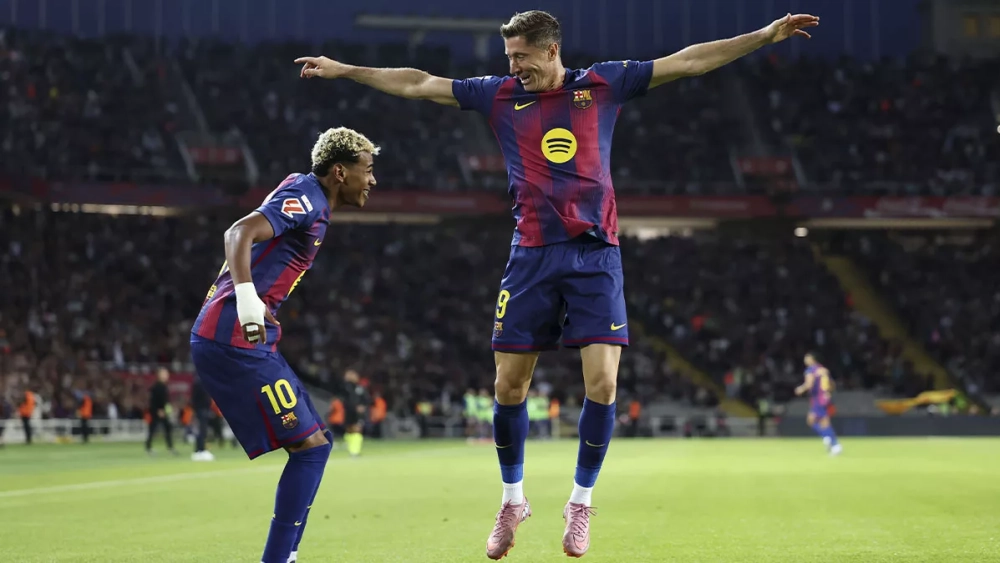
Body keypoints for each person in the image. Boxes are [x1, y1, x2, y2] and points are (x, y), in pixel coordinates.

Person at [295, 9, 819, 559]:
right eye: (509, 57)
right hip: (531, 255)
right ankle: (512, 500)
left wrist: (763, 35)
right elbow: (419, 83)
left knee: (603, 384)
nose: (513, 66)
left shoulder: (604, 83)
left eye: (521, 56)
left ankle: (580, 502)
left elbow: (688, 62)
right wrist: (344, 69)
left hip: (595, 255)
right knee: (508, 388)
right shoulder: (497, 94)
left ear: (550, 51)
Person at [189, 127, 379, 563]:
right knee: (310, 449)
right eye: (367, 171)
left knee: (316, 446)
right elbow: (238, 232)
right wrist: (247, 294)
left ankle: (284, 557)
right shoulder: (308, 197)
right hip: (231, 339)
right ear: (339, 172)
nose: (372, 181)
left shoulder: (309, 197)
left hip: (245, 340)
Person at [795, 353, 842, 456]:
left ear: (812, 359)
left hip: (817, 399)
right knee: (821, 421)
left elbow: (809, 383)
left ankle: (834, 444)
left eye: (807, 358)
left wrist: (800, 389)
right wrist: (827, 393)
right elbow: (832, 384)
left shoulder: (810, 370)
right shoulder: (824, 370)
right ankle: (828, 439)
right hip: (825, 398)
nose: (805, 360)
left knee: (814, 421)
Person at [145, 368, 177, 455]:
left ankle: (170, 447)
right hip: (157, 411)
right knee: (153, 429)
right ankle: (148, 447)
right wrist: (158, 410)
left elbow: (166, 401)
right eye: (164, 374)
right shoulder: (156, 387)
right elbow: (153, 401)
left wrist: (168, 410)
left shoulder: (164, 386)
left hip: (164, 411)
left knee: (168, 428)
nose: (166, 376)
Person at [341, 369, 368, 457]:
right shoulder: (344, 387)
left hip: (358, 413)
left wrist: (362, 406)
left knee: (357, 429)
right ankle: (350, 447)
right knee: (349, 430)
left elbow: (366, 399)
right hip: (348, 411)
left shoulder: (360, 388)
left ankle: (355, 451)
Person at [191, 376, 215, 461]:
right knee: (202, 431)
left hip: (203, 409)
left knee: (202, 431)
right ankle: (201, 450)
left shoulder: (202, 381)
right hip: (201, 409)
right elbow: (196, 397)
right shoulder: (199, 382)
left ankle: (199, 450)